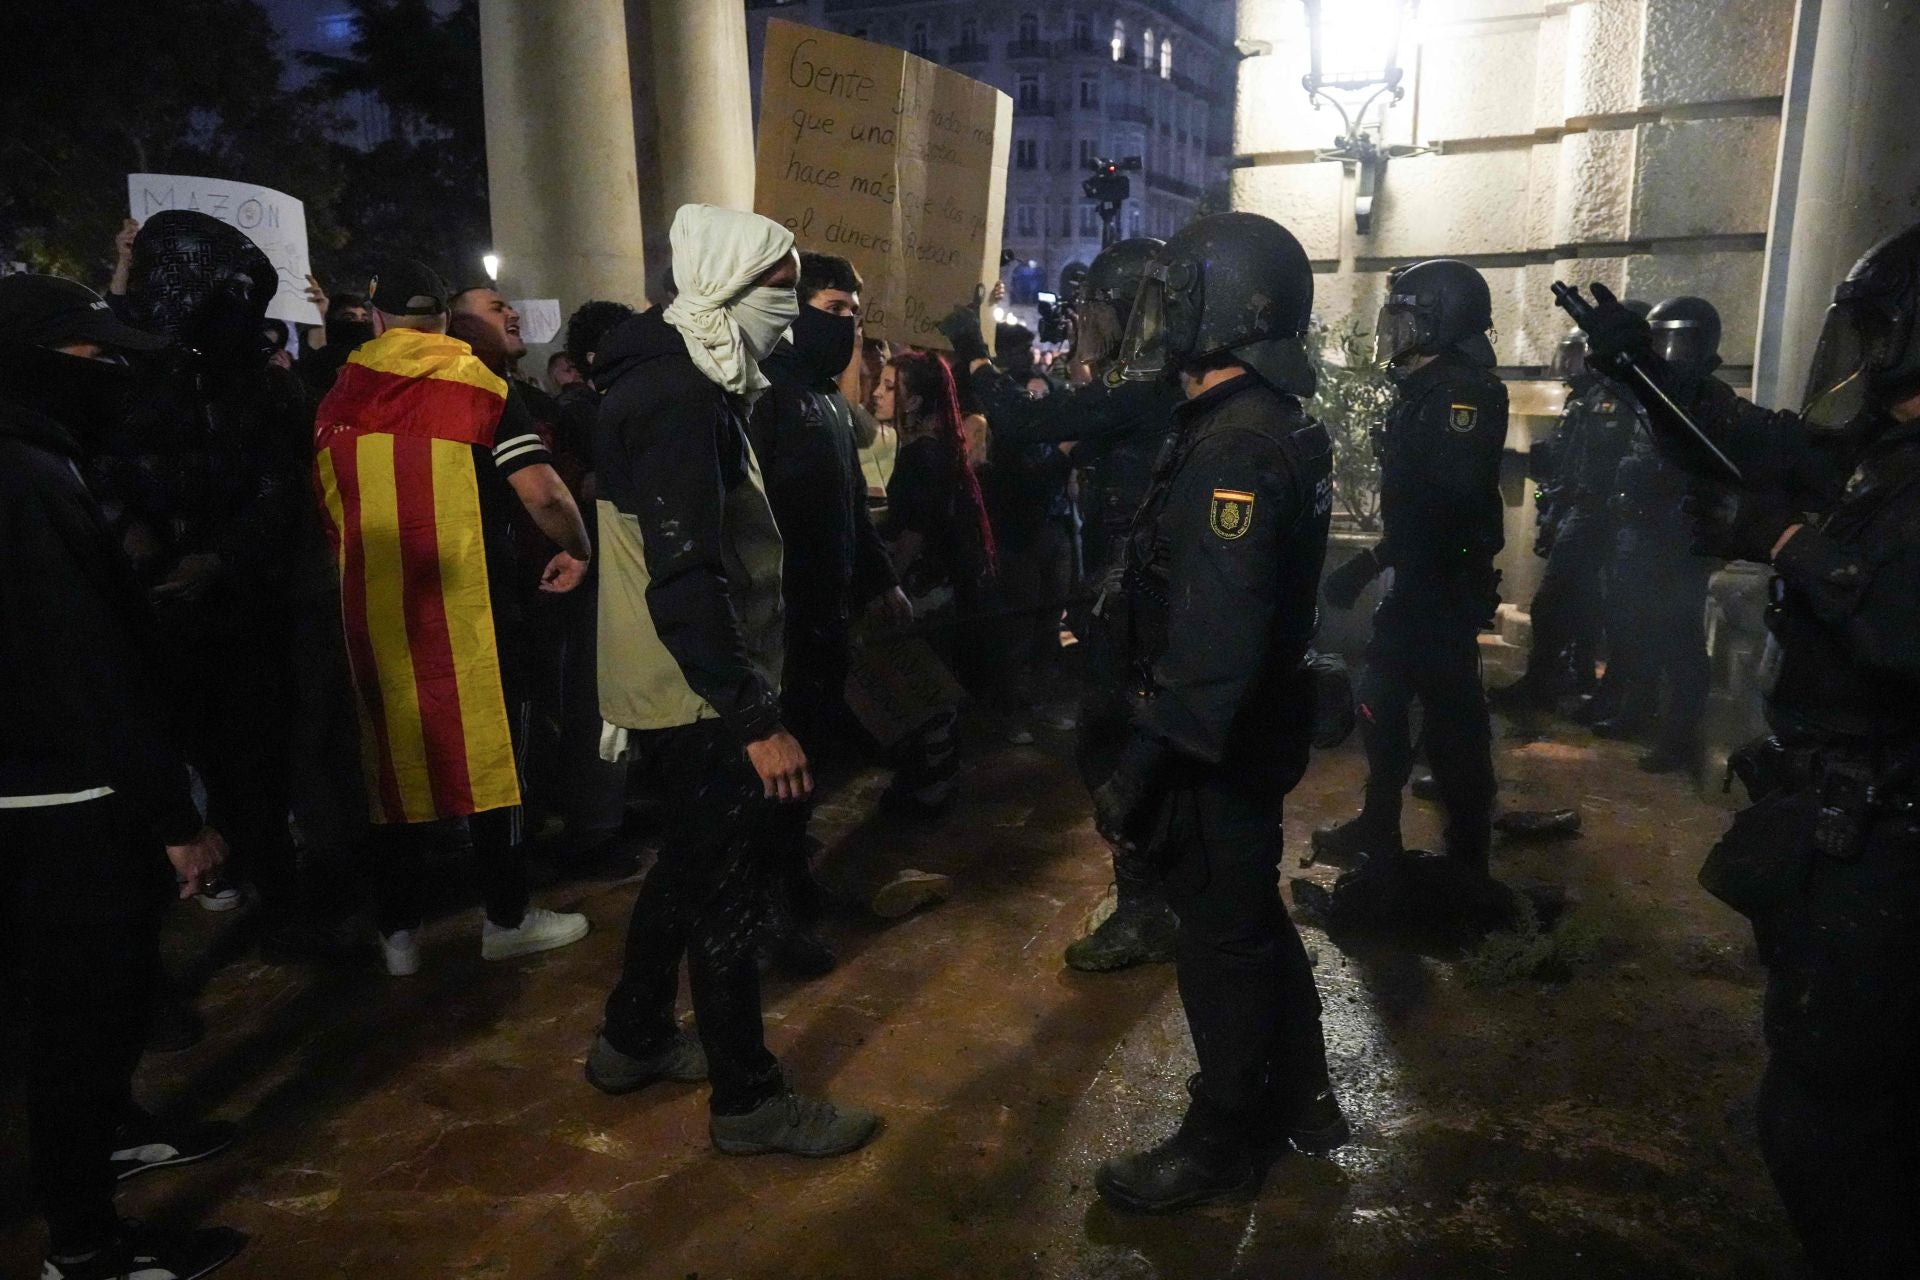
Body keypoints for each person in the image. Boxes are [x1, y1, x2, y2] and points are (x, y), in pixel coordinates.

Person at [1580, 220, 1920, 1279]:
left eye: (1874, 330)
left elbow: (1901, 631)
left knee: (1833, 1123)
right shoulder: (1881, 453)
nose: (1857, 352)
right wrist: (1641, 371)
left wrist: (1784, 541)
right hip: (1843, 818)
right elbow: (1751, 442)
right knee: (1829, 1092)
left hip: (1895, 834)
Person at [587, 203, 880, 1158]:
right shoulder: (677, 394)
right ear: (721, 285)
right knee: (728, 893)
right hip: (701, 691)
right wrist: (756, 717)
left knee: (687, 864)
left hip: (684, 681)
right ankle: (749, 1102)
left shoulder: (686, 376)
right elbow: (686, 574)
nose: (792, 314)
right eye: (781, 291)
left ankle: (632, 1038)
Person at [1087, 212, 1346, 1213]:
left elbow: (1217, 645)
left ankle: (1223, 1138)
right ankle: (1306, 1096)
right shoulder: (1251, 417)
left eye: (1168, 297)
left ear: (1213, 309)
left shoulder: (1235, 441)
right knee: (1245, 915)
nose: (1153, 318)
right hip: (1242, 726)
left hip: (1214, 741)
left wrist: (1144, 767)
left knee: (1220, 937)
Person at [1, 273, 248, 1280]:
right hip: (63, 801)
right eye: (90, 358)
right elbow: (85, 665)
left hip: (51, 788)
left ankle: (108, 1138)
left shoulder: (36, 461)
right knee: (81, 1020)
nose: (107, 375)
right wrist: (172, 816)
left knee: (91, 1011)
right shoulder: (23, 476)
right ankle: (87, 1244)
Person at [313, 257, 593, 977]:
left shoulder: (337, 390)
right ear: (444, 319)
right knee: (490, 754)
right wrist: (579, 549)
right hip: (471, 605)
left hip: (368, 610)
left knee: (391, 763)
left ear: (376, 317)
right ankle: (505, 917)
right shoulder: (478, 384)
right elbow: (546, 496)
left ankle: (399, 933)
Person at [943, 238, 1185, 972]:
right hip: (1126, 590)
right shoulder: (1148, 392)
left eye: (1098, 313)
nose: (1086, 327)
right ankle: (1152, 895)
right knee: (1120, 741)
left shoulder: (1146, 389)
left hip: (1141, 596)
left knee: (1114, 745)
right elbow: (1057, 459)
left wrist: (969, 348)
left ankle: (1148, 908)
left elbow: (1025, 423)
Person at [105, 212, 316, 944]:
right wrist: (137, 544)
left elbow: (284, 488)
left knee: (256, 763)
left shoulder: (264, 388)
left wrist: (220, 558)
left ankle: (282, 903)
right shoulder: (122, 377)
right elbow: (106, 476)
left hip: (245, 610)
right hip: (148, 613)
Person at [1312, 259, 1511, 926]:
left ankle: (1467, 861)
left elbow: (1443, 510)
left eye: (1404, 317)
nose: (1391, 329)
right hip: (1422, 584)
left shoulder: (1462, 395)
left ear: (1440, 323)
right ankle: (1380, 827)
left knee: (1449, 722)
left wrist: (1369, 563)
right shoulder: (1427, 388)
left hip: (1442, 591)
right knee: (1384, 707)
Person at [745, 251, 912, 975]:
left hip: (824, 623)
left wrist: (879, 582)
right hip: (778, 629)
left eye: (854, 313)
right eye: (837, 310)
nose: (850, 326)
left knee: (810, 770)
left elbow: (848, 509)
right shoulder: (765, 399)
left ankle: (792, 887)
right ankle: (769, 914)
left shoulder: (826, 405)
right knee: (775, 785)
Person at [1589, 296, 1726, 775]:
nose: (1669, 352)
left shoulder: (1709, 399)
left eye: (1678, 340)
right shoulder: (1653, 394)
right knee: (1633, 627)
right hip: (1639, 529)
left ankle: (1678, 737)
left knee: (1679, 639)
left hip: (1678, 535)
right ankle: (1635, 711)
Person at [1493, 318, 1646, 715]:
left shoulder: (1616, 399)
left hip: (1600, 515)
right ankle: (1566, 680)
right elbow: (1566, 459)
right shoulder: (1585, 400)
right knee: (1583, 605)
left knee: (1560, 603)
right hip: (1579, 510)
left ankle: (1586, 690)